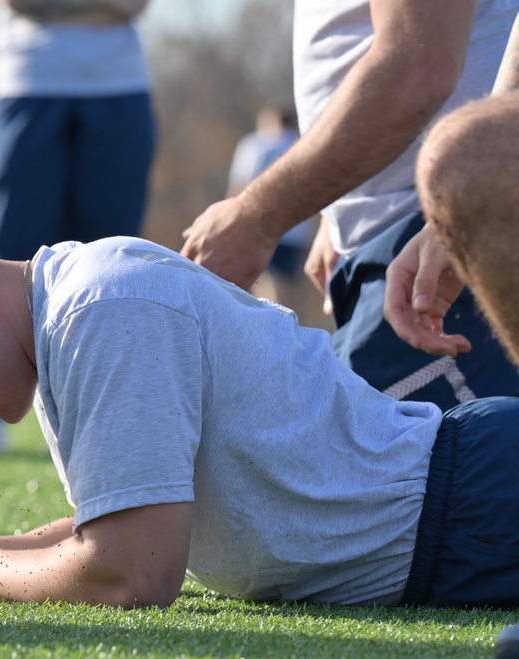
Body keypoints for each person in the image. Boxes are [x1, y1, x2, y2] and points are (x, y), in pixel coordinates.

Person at [0, 221, 519, 609]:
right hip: (465, 517)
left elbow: (133, 573)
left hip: (479, 503)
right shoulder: (64, 316)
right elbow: (128, 520)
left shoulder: (102, 313)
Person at [180, 0, 519, 410]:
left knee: (413, 466)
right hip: (400, 239)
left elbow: (419, 67)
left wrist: (257, 217)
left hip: (433, 255)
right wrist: (335, 201)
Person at [0, 0, 155, 452]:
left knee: (114, 261)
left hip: (120, 86)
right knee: (7, 249)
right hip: (26, 82)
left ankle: (109, 425)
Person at [384, 15, 519, 370]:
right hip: (381, 240)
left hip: (408, 220)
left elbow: (424, 70)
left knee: (460, 153)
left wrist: (264, 220)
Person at [223, 105, 325, 329]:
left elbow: (238, 186)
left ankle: (274, 336)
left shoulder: (257, 144)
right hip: (298, 230)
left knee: (266, 288)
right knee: (289, 291)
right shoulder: (305, 144)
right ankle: (291, 335)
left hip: (262, 229)